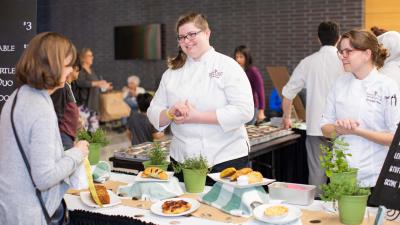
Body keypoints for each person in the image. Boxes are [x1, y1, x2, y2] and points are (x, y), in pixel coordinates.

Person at [147, 12, 254, 172]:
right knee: (184, 198)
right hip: (182, 159)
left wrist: (197, 117)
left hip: (225, 158)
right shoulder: (171, 73)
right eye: (181, 37)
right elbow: (153, 111)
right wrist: (170, 113)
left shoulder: (228, 66)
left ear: (207, 33)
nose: (186, 41)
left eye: (191, 34)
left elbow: (244, 111)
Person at [0, 32, 89, 225]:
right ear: (53, 65)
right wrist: (77, 153)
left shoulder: (17, 96)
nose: (70, 71)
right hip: (31, 214)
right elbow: (44, 177)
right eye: (68, 65)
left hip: (10, 208)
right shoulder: (39, 107)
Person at [321, 30, 400, 188]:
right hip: (340, 173)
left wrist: (357, 131)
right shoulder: (339, 84)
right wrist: (339, 129)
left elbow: (394, 138)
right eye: (340, 52)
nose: (343, 56)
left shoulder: (387, 86)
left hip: (374, 177)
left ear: (367, 54)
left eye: (348, 51)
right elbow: (324, 128)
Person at [281, 21, 343, 194]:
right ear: (338, 39)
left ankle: (316, 212)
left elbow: (288, 93)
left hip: (316, 128)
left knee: (317, 173)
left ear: (318, 39)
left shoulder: (308, 62)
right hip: (342, 128)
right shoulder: (345, 61)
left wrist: (287, 118)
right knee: (341, 172)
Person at [73, 48, 112, 131]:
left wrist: (104, 86)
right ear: (83, 58)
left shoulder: (91, 70)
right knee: (84, 132)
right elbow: (81, 82)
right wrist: (98, 83)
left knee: (94, 132)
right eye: (90, 55)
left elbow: (94, 85)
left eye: (92, 55)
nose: (92, 57)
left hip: (93, 105)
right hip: (84, 105)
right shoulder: (80, 70)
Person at [51, 58, 81, 150]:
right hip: (63, 135)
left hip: (68, 135)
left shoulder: (67, 86)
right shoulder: (62, 88)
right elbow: (58, 112)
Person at [234, 45, 266, 124]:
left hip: (250, 107)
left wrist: (261, 110)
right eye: (236, 57)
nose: (238, 59)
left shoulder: (253, 71)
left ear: (247, 57)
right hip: (237, 107)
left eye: (241, 57)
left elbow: (260, 91)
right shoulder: (234, 70)